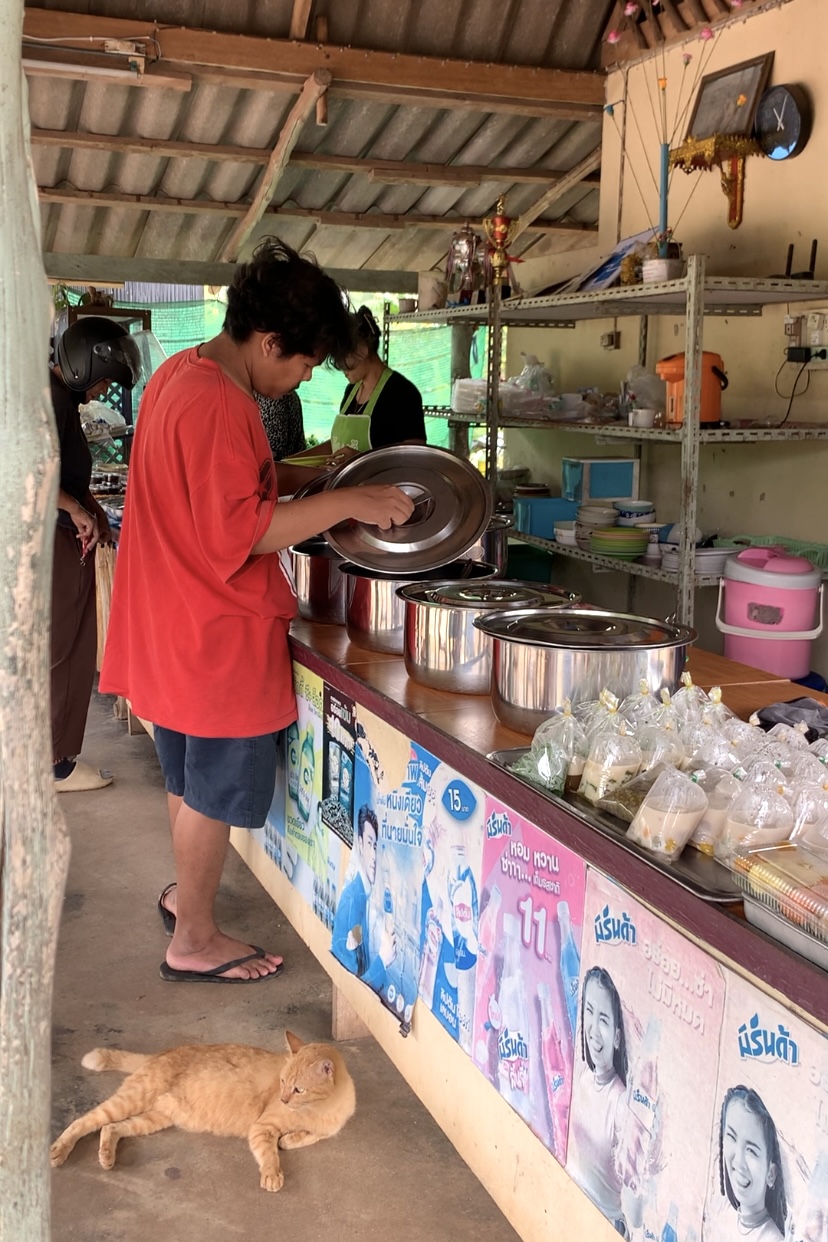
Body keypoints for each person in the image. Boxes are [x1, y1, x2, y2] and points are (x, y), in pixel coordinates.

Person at [99, 238, 413, 985]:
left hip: (169, 619)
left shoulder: (183, 373)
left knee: (185, 777)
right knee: (213, 789)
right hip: (213, 631)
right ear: (268, 341)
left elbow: (225, 486)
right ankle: (196, 938)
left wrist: (306, 470)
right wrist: (352, 500)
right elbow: (240, 531)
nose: (304, 376)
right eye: (303, 362)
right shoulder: (220, 402)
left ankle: (187, 896)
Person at [51, 316, 142, 792]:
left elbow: (64, 473)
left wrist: (90, 509)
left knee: (67, 647)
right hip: (48, 542)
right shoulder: (48, 398)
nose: (104, 390)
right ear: (84, 365)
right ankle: (55, 766)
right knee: (63, 650)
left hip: (63, 535)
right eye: (105, 380)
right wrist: (75, 509)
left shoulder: (60, 398)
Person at [311, 305, 427, 463]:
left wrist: (361, 459)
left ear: (362, 350)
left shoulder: (402, 393)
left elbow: (415, 456)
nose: (340, 366)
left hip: (384, 485)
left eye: (341, 357)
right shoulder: (351, 390)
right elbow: (337, 446)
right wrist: (288, 462)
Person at [567, 966, 629, 1234]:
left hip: (604, 1226)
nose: (593, 1029)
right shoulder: (580, 1075)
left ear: (617, 1037)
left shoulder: (621, 1102)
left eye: (603, 1019)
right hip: (569, 1207)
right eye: (589, 1012)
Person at [331, 805, 396, 990]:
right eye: (369, 844)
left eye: (375, 845)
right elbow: (353, 987)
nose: (374, 856)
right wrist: (383, 959)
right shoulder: (353, 901)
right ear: (359, 844)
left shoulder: (363, 897)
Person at [718, 1085, 787, 1241]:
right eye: (731, 1137)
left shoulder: (772, 1239)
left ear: (771, 1174)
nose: (739, 1161)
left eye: (751, 1151)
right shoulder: (721, 1218)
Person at [256, 389, 306, 461]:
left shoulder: (275, 397)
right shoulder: (287, 394)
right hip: (293, 463)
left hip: (279, 465)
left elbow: (275, 445)